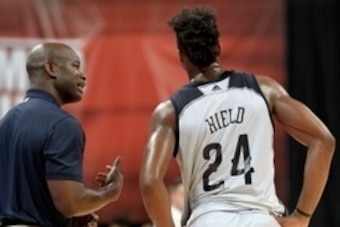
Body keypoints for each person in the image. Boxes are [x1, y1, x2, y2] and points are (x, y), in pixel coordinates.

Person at [139, 6, 335, 227]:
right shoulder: (264, 89)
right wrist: (303, 215)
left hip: (208, 218)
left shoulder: (170, 112)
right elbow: (324, 140)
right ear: (218, 48)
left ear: (182, 56)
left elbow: (150, 182)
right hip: (262, 219)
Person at [0, 42, 124, 227]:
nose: (83, 76)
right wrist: (110, 192)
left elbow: (29, 200)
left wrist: (74, 220)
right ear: (51, 68)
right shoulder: (62, 125)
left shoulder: (6, 121)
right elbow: (70, 204)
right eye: (75, 66)